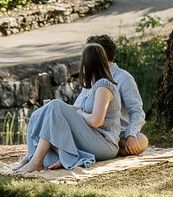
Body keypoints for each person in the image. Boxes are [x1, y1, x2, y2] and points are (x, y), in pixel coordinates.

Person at [11, 41, 121, 174]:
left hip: (104, 143)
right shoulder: (92, 87)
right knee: (39, 114)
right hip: (92, 138)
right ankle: (32, 157)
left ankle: (36, 162)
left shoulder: (104, 85)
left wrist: (79, 112)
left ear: (89, 63)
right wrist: (72, 110)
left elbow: (95, 121)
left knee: (55, 105)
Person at [94, 33, 149, 157]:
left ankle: (114, 148)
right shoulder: (90, 79)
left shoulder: (124, 78)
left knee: (142, 140)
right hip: (93, 131)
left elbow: (136, 111)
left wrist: (131, 135)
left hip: (118, 134)